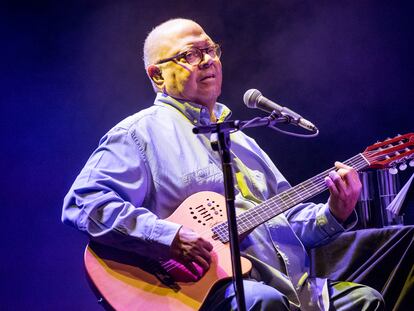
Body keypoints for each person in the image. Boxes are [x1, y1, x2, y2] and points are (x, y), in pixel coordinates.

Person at [62, 18, 384, 310]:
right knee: (264, 302)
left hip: (288, 288)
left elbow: (281, 223)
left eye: (210, 49)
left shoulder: (243, 141)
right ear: (157, 75)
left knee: (365, 301)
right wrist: (168, 238)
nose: (208, 61)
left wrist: (334, 212)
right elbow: (84, 203)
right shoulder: (138, 134)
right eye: (190, 54)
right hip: (202, 293)